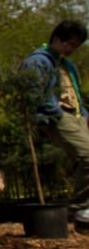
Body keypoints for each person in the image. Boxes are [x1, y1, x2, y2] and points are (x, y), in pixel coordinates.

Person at [22, 20, 89, 223]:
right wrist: (56, 112)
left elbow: (74, 92)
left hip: (77, 117)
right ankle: (79, 208)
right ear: (57, 39)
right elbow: (35, 94)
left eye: (76, 46)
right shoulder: (38, 61)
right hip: (57, 117)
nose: (72, 50)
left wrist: (85, 115)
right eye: (69, 44)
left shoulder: (65, 64)